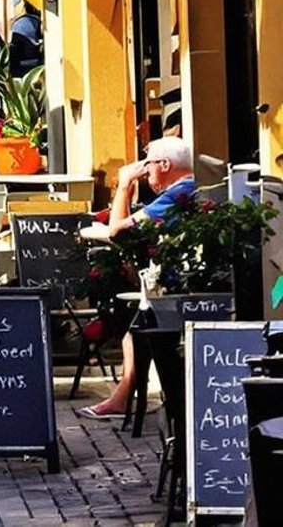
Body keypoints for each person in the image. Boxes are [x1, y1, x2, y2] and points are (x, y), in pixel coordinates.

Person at [83, 141, 200, 419]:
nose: (146, 175)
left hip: (176, 289)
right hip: (178, 283)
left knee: (137, 328)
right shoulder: (190, 189)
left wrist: (124, 185)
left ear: (165, 165)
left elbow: (117, 231)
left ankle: (126, 400)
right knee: (134, 330)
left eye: (148, 167)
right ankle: (123, 398)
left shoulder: (178, 194)